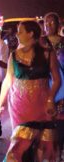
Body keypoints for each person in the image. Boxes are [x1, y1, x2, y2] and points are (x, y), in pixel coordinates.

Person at [0, 21, 61, 161]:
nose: (17, 34)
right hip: (19, 106)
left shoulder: (48, 54)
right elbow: (8, 80)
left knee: (42, 146)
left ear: (30, 34)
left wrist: (50, 100)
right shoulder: (14, 55)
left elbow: (57, 79)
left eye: (20, 31)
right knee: (19, 146)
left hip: (42, 105)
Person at [41, 12, 64, 159]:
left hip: (62, 86)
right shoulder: (40, 42)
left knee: (61, 122)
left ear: (58, 24)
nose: (49, 25)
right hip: (44, 86)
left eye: (52, 22)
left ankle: (59, 151)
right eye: (46, 23)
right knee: (46, 122)